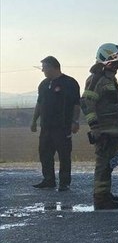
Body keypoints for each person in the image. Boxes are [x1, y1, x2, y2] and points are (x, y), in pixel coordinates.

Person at [80, 43, 118, 210]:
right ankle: (100, 199)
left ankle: (105, 194)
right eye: (116, 59)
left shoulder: (109, 77)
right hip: (104, 131)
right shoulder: (97, 78)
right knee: (103, 165)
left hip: (113, 130)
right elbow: (86, 103)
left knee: (107, 165)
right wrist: (95, 127)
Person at [30, 56, 81, 191]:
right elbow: (39, 103)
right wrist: (34, 120)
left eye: (44, 67)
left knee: (64, 155)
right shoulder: (43, 84)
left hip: (63, 127)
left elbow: (76, 104)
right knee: (45, 154)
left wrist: (75, 121)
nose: (43, 70)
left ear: (53, 67)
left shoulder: (70, 83)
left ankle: (64, 183)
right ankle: (48, 180)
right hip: (46, 127)